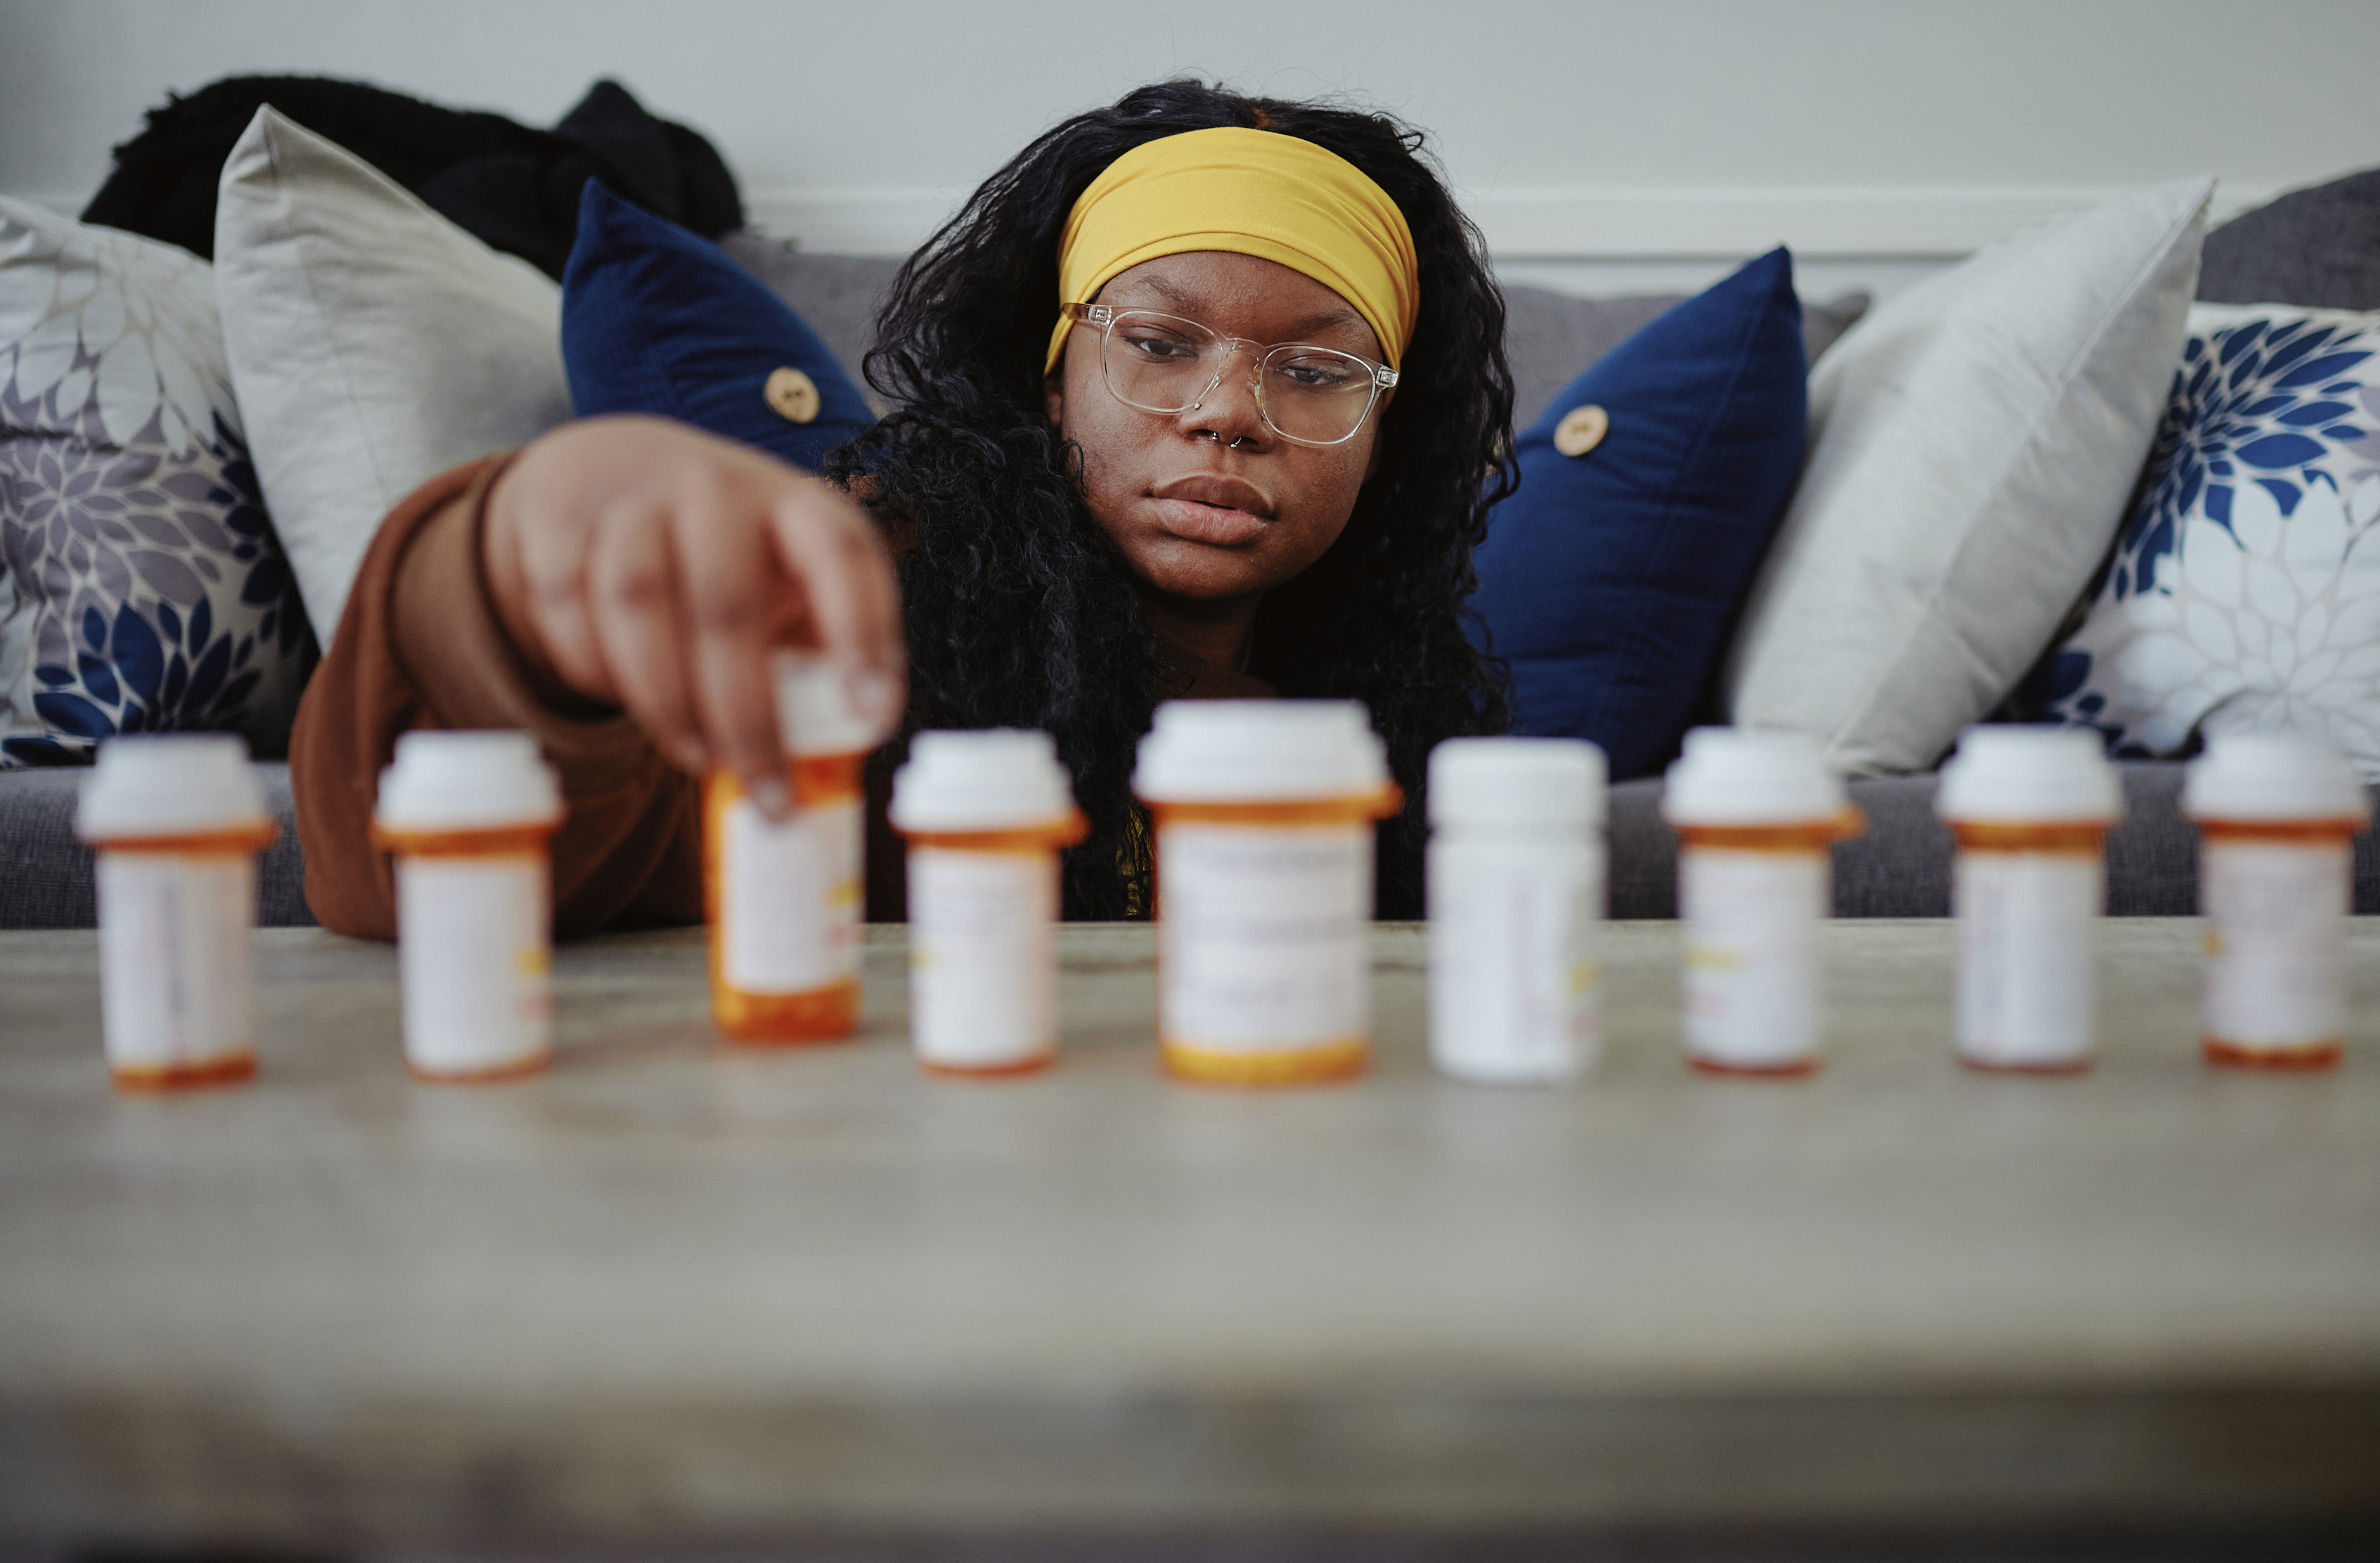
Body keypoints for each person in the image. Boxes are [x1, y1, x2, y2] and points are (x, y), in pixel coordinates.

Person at [292, 79, 1517, 935]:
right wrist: (505, 554)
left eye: (1314, 373)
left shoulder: (1377, 686)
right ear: (1052, 376)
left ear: (1383, 437)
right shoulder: (869, 603)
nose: (1227, 411)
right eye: (1154, 342)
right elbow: (411, 865)